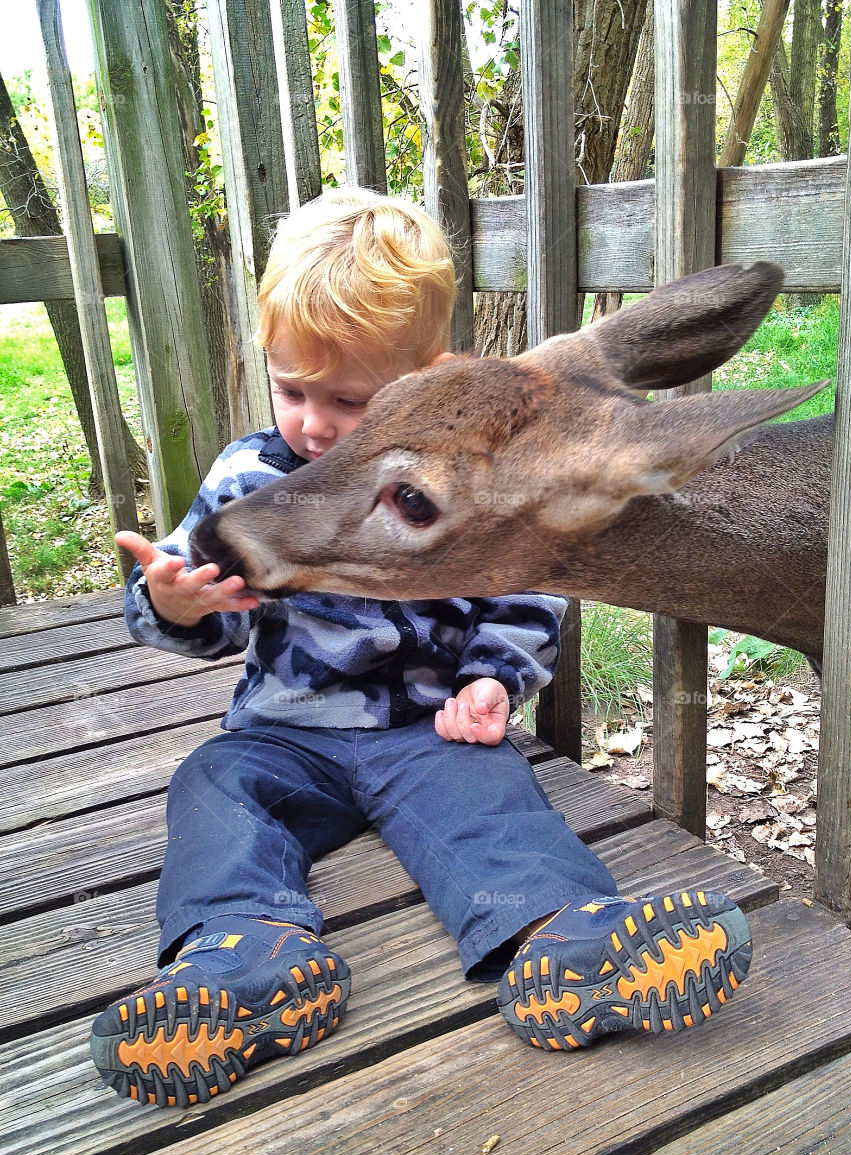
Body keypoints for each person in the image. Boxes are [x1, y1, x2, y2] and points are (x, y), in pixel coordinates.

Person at [89, 188, 752, 1108]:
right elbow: (217, 616)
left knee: (494, 795)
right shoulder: (250, 478)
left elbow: (521, 593)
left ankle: (567, 939)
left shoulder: (455, 477)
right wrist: (178, 600)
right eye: (292, 390)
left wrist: (490, 683)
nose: (314, 424)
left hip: (422, 734)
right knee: (213, 785)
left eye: (349, 399)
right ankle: (240, 953)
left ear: (423, 382)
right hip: (287, 736)